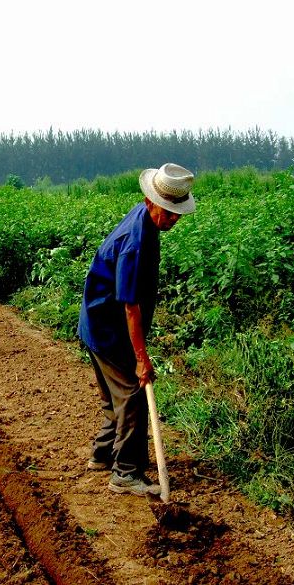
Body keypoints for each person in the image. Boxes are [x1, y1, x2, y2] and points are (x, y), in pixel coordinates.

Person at [77, 163, 196, 496]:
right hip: (108, 327)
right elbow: (131, 306)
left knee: (115, 396)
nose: (173, 218)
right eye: (168, 212)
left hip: (97, 321)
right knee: (131, 394)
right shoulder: (136, 243)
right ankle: (125, 473)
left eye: (177, 213)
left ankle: (102, 455)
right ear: (151, 201)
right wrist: (141, 358)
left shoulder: (143, 217)